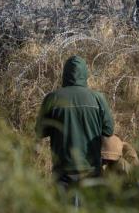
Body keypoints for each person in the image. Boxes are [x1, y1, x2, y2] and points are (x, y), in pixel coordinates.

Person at [35, 55, 114, 188]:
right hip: (91, 170)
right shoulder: (98, 98)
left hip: (62, 171)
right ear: (84, 74)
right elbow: (108, 130)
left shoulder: (52, 98)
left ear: (65, 74)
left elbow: (40, 132)